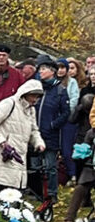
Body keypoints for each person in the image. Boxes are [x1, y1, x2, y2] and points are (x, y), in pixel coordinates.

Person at [0, 80, 45, 190]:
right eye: (33, 96)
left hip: (18, 155)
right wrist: (2, 142)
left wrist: (39, 143)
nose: (35, 99)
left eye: (37, 97)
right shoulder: (9, 104)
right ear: (25, 94)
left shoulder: (31, 110)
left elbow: (34, 130)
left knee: (14, 192)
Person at [34, 55, 69, 202]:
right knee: (35, 165)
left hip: (51, 134)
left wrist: (53, 125)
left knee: (50, 166)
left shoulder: (60, 90)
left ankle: (52, 192)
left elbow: (66, 112)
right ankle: (35, 191)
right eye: (40, 69)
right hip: (35, 132)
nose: (40, 72)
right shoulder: (36, 87)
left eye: (43, 69)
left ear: (52, 71)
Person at [57, 58, 80, 184]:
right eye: (58, 67)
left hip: (67, 120)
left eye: (62, 68)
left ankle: (73, 174)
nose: (60, 70)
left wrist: (64, 113)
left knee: (67, 149)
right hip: (54, 119)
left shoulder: (72, 83)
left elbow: (74, 100)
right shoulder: (52, 83)